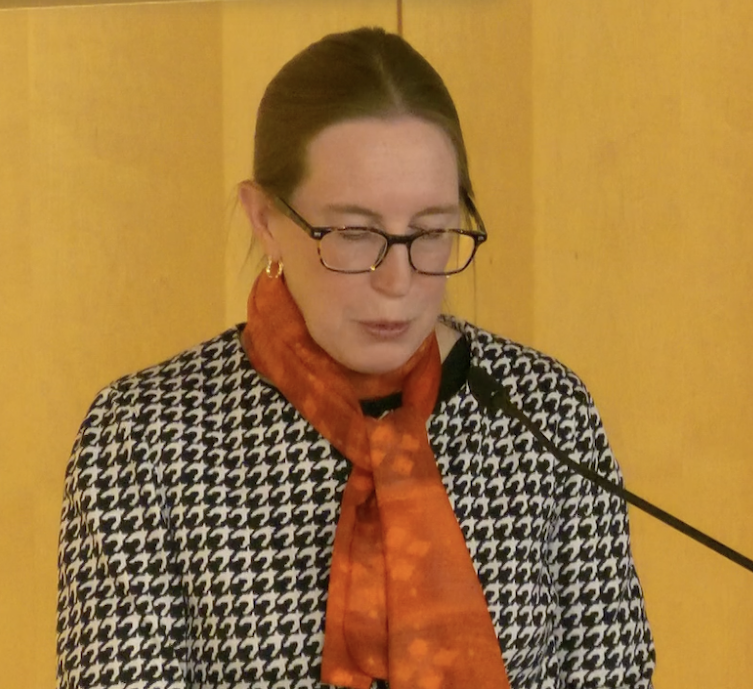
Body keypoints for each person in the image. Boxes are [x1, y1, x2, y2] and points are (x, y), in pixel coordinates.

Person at [57, 27, 655, 689]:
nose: (397, 279)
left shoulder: (545, 413)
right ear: (264, 218)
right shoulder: (143, 438)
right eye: (353, 232)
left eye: (430, 231)